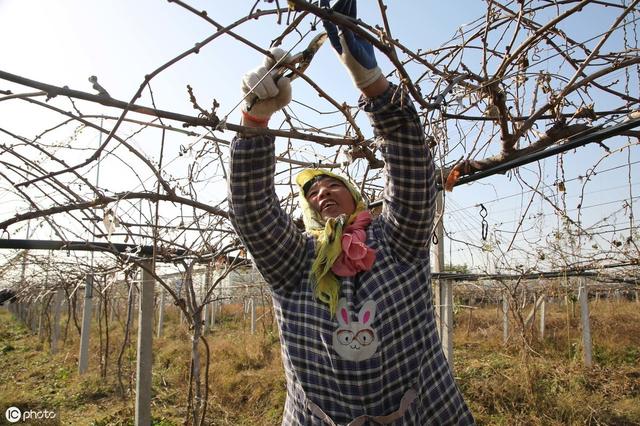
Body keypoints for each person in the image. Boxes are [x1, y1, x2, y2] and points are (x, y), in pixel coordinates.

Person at [228, 1, 475, 424]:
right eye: (312, 194)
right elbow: (253, 213)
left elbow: (412, 173)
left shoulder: (396, 242)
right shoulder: (296, 263)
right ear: (307, 214)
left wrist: (374, 86)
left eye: (333, 184)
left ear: (357, 198)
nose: (322, 192)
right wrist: (254, 121)